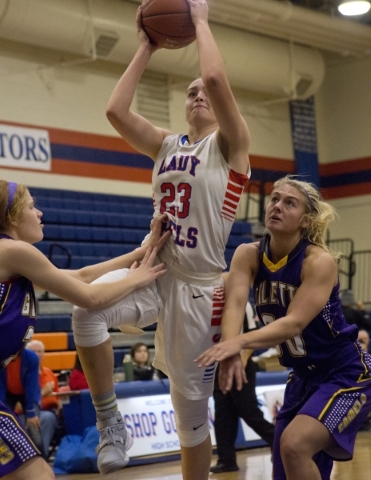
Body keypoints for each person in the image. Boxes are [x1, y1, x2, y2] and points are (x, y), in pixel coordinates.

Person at [72, 0, 250, 478]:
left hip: (199, 290)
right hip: (155, 270)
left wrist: (200, 22)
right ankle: (110, 422)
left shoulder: (231, 147)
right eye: (189, 91)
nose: (197, 94)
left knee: (189, 419)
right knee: (86, 310)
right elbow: (115, 109)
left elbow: (214, 79)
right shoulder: (168, 144)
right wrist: (146, 47)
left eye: (204, 93)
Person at [195, 176, 371, 480]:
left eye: (289, 203)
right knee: (285, 466)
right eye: (275, 199)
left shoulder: (318, 262)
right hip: (302, 378)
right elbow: (235, 305)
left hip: (345, 372)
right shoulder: (248, 254)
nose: (276, 206)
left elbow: (294, 323)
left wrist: (239, 343)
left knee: (294, 445)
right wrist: (229, 347)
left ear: (305, 221)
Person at [0, 179, 168, 480]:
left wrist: (142, 251)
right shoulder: (12, 251)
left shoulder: (12, 259)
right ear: (11, 217)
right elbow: (89, 297)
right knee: (38, 475)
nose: (39, 213)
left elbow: (82, 275)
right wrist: (137, 278)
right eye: (31, 206)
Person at [210, 301, 274, 473]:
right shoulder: (210, 300)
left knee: (249, 411)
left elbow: (252, 335)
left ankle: (277, 441)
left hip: (240, 364)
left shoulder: (243, 304)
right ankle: (226, 460)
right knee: (223, 414)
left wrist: (242, 361)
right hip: (219, 365)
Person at [0, 347, 57, 460]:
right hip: (8, 394)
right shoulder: (2, 358)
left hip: (28, 394)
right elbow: (0, 386)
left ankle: (42, 461)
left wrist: (31, 413)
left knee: (33, 427)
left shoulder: (31, 358)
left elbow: (31, 387)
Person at [26, 340, 67, 453]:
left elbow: (57, 394)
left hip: (54, 411)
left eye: (40, 352)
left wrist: (59, 404)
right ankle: (39, 453)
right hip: (33, 412)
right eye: (33, 351)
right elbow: (23, 401)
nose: (37, 354)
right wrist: (43, 392)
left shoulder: (48, 372)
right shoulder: (25, 374)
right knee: (47, 418)